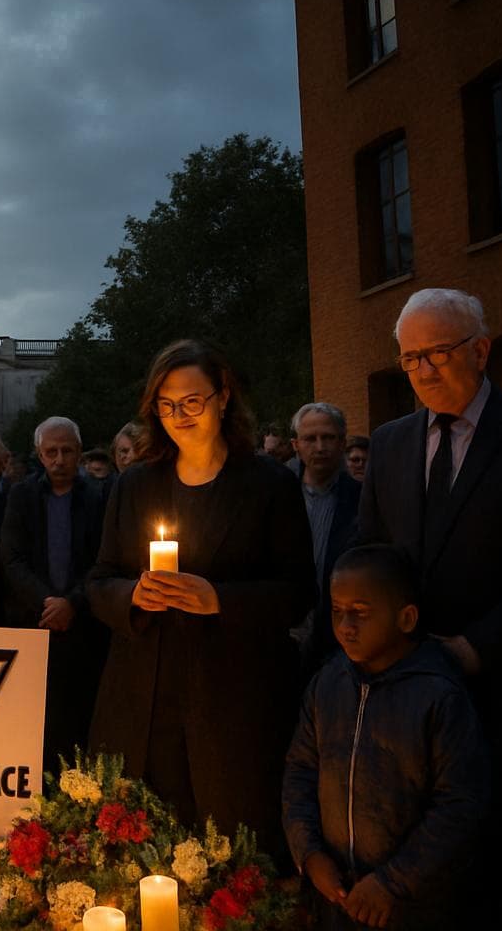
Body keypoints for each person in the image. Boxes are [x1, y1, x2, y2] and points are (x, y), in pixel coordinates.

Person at [356, 288, 502, 926]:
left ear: (481, 350)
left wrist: (477, 647)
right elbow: (368, 556)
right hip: (415, 705)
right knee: (446, 885)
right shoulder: (390, 443)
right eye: (410, 359)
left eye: (438, 352)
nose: (423, 371)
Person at [88, 339, 312, 856]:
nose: (179, 415)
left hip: (231, 703)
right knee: (139, 855)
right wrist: (134, 595)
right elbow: (98, 581)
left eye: (192, 402)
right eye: (166, 405)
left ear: (223, 397)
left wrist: (219, 599)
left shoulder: (268, 486)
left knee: (226, 855)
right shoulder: (135, 485)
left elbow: (298, 593)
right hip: (144, 699)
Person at [283, 544, 490, 931]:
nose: (345, 625)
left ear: (406, 618)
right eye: (337, 611)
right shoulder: (328, 683)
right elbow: (299, 771)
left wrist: (392, 882)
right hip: (336, 898)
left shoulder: (437, 696)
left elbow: (460, 806)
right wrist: (310, 854)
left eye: (360, 613)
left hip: (412, 906)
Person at [1, 417, 108, 771]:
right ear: (39, 454)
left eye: (66, 451)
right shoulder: (22, 495)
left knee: (80, 722)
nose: (59, 459)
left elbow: (105, 559)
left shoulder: (99, 496)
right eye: (51, 452)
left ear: (80, 452)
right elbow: (12, 558)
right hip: (34, 624)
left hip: (83, 627)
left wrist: (72, 603)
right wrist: (47, 602)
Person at [289, 403, 362, 669]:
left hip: (338, 641)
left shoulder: (362, 500)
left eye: (328, 437)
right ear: (296, 444)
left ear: (343, 441)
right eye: (310, 438)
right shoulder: (278, 495)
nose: (320, 447)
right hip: (285, 632)